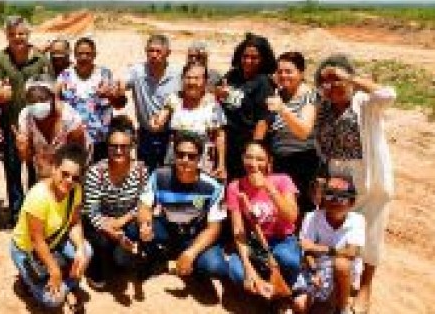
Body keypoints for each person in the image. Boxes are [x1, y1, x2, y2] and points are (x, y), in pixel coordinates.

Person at [314, 54, 395, 313]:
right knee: (340, 229)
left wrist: (352, 80)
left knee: (371, 232)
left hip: (369, 177)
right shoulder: (323, 106)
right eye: (325, 80)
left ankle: (365, 289)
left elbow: (388, 95)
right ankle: (340, 284)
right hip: (337, 175)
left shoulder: (363, 103)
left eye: (335, 79)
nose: (331, 86)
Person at [129, 133, 229, 282]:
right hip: (168, 227)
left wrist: (191, 253)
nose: (185, 160)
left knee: (216, 267)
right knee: (133, 228)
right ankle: (156, 257)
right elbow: (144, 205)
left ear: (199, 158)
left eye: (191, 156)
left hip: (195, 234)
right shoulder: (159, 176)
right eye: (180, 155)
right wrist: (145, 225)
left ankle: (191, 265)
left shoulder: (213, 187)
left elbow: (214, 228)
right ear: (174, 155)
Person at [10, 143, 92, 312]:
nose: (69, 181)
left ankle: (62, 284)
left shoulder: (75, 190)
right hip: (27, 250)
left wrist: (80, 249)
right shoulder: (38, 196)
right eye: (65, 174)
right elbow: (37, 240)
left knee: (87, 252)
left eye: (75, 177)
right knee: (53, 300)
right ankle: (33, 282)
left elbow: (75, 222)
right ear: (54, 168)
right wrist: (54, 269)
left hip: (55, 241)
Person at [0, 15, 52, 226]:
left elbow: (50, 91)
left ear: (28, 34)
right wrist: (0, 94)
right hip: (12, 126)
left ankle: (34, 212)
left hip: (39, 126)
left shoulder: (42, 60)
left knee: (37, 170)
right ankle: (16, 214)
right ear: (7, 36)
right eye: (13, 34)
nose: (18, 38)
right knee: (13, 170)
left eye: (22, 33)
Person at [226, 140, 301, 298]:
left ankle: (276, 285)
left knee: (288, 261)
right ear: (242, 159)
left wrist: (268, 187)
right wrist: (248, 268)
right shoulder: (235, 187)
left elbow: (291, 217)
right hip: (254, 243)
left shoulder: (282, 180)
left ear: (269, 161)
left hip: (282, 239)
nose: (253, 164)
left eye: (260, 159)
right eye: (249, 157)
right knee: (236, 273)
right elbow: (238, 231)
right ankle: (266, 286)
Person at [82, 116, 148, 288]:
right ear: (107, 147)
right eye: (114, 146)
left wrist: (122, 221)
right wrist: (111, 230)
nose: (118, 151)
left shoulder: (141, 171)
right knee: (102, 241)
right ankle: (94, 267)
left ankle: (121, 256)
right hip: (100, 222)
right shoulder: (96, 172)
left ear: (132, 147)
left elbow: (142, 205)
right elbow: (92, 211)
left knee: (123, 257)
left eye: (124, 147)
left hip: (126, 220)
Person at [292, 168, 365, 314]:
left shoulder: (357, 220)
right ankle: (327, 301)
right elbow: (307, 251)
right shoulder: (311, 217)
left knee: (341, 263)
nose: (334, 201)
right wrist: (314, 271)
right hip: (316, 272)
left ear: (352, 202)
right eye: (330, 194)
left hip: (343, 277)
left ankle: (343, 307)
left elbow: (351, 252)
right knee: (299, 306)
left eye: (342, 196)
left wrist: (319, 248)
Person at [150, 62, 227, 181]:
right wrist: (156, 123)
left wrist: (221, 164)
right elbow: (161, 117)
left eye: (196, 78)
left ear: (205, 81)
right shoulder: (174, 99)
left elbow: (219, 135)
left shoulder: (212, 104)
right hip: (176, 157)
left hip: (202, 161)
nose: (191, 82)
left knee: (198, 197)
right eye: (188, 78)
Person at [117, 33, 181, 173]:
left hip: (171, 135)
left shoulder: (177, 74)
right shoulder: (137, 71)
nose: (153, 55)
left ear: (168, 53)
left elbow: (184, 96)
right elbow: (122, 84)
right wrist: (117, 88)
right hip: (146, 134)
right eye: (150, 51)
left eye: (158, 51)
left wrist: (168, 110)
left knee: (168, 174)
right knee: (145, 173)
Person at [266, 52, 320, 215]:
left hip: (303, 163)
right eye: (280, 71)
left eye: (289, 71)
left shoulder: (310, 96)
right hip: (280, 161)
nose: (283, 75)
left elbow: (303, 131)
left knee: (302, 209)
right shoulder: (278, 94)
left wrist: (283, 109)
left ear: (301, 73)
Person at [216, 33, 276, 179]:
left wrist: (254, 151)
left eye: (254, 57)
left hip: (247, 144)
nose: (248, 61)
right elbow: (217, 92)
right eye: (245, 56)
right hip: (226, 142)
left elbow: (263, 120)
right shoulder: (232, 75)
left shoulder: (264, 83)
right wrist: (219, 92)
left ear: (263, 59)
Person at [58, 37, 121, 163]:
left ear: (94, 55)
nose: (84, 57)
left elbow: (119, 104)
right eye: (80, 54)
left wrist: (110, 96)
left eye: (88, 54)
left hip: (100, 140)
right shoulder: (65, 76)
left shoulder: (105, 74)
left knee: (98, 177)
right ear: (74, 55)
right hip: (74, 140)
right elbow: (56, 104)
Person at [15, 76, 89, 180]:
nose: (37, 104)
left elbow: (79, 154)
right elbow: (27, 157)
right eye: (32, 100)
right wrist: (23, 149)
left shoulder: (69, 118)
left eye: (42, 99)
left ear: (53, 98)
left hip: (69, 175)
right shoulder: (26, 116)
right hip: (42, 174)